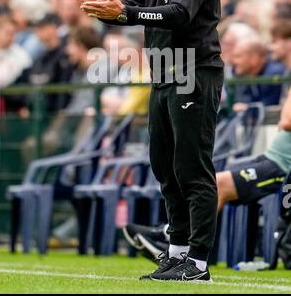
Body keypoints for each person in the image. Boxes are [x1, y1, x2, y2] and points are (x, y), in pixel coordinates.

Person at [75, 0, 224, 282]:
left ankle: (198, 262)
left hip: (193, 71)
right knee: (165, 167)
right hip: (162, 71)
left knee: (192, 168)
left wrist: (126, 12)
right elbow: (137, 8)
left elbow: (180, 13)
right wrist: (108, 12)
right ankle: (176, 253)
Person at [124, 88, 291, 263]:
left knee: (217, 185)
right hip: (271, 158)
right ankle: (174, 237)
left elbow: (286, 122)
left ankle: (179, 242)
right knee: (208, 180)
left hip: (282, 166)